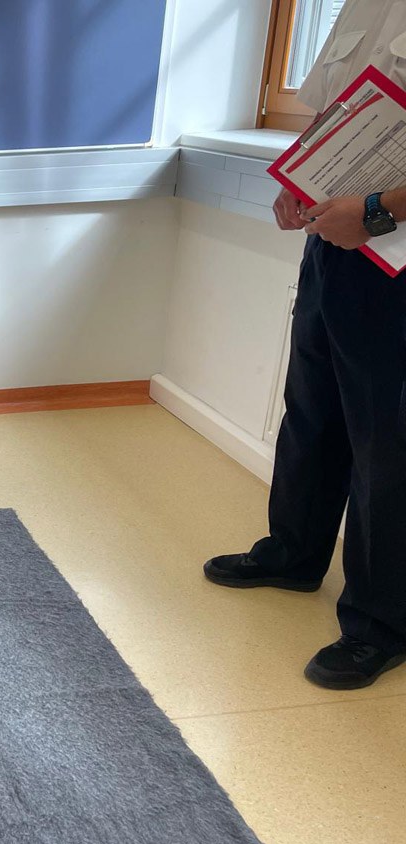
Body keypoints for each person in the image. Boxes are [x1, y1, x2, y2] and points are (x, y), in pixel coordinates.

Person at [204, 0, 406, 690]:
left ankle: (382, 625)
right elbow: (333, 108)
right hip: (335, 240)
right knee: (312, 407)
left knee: (387, 442)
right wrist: (298, 180)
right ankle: (293, 554)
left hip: (396, 255)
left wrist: (377, 212)